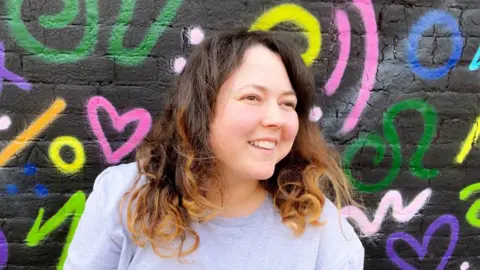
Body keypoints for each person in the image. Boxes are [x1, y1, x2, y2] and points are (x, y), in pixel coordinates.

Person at [64, 28, 364, 269]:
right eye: (252, 98)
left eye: (288, 104)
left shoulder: (322, 229)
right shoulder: (124, 197)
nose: (276, 119)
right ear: (201, 110)